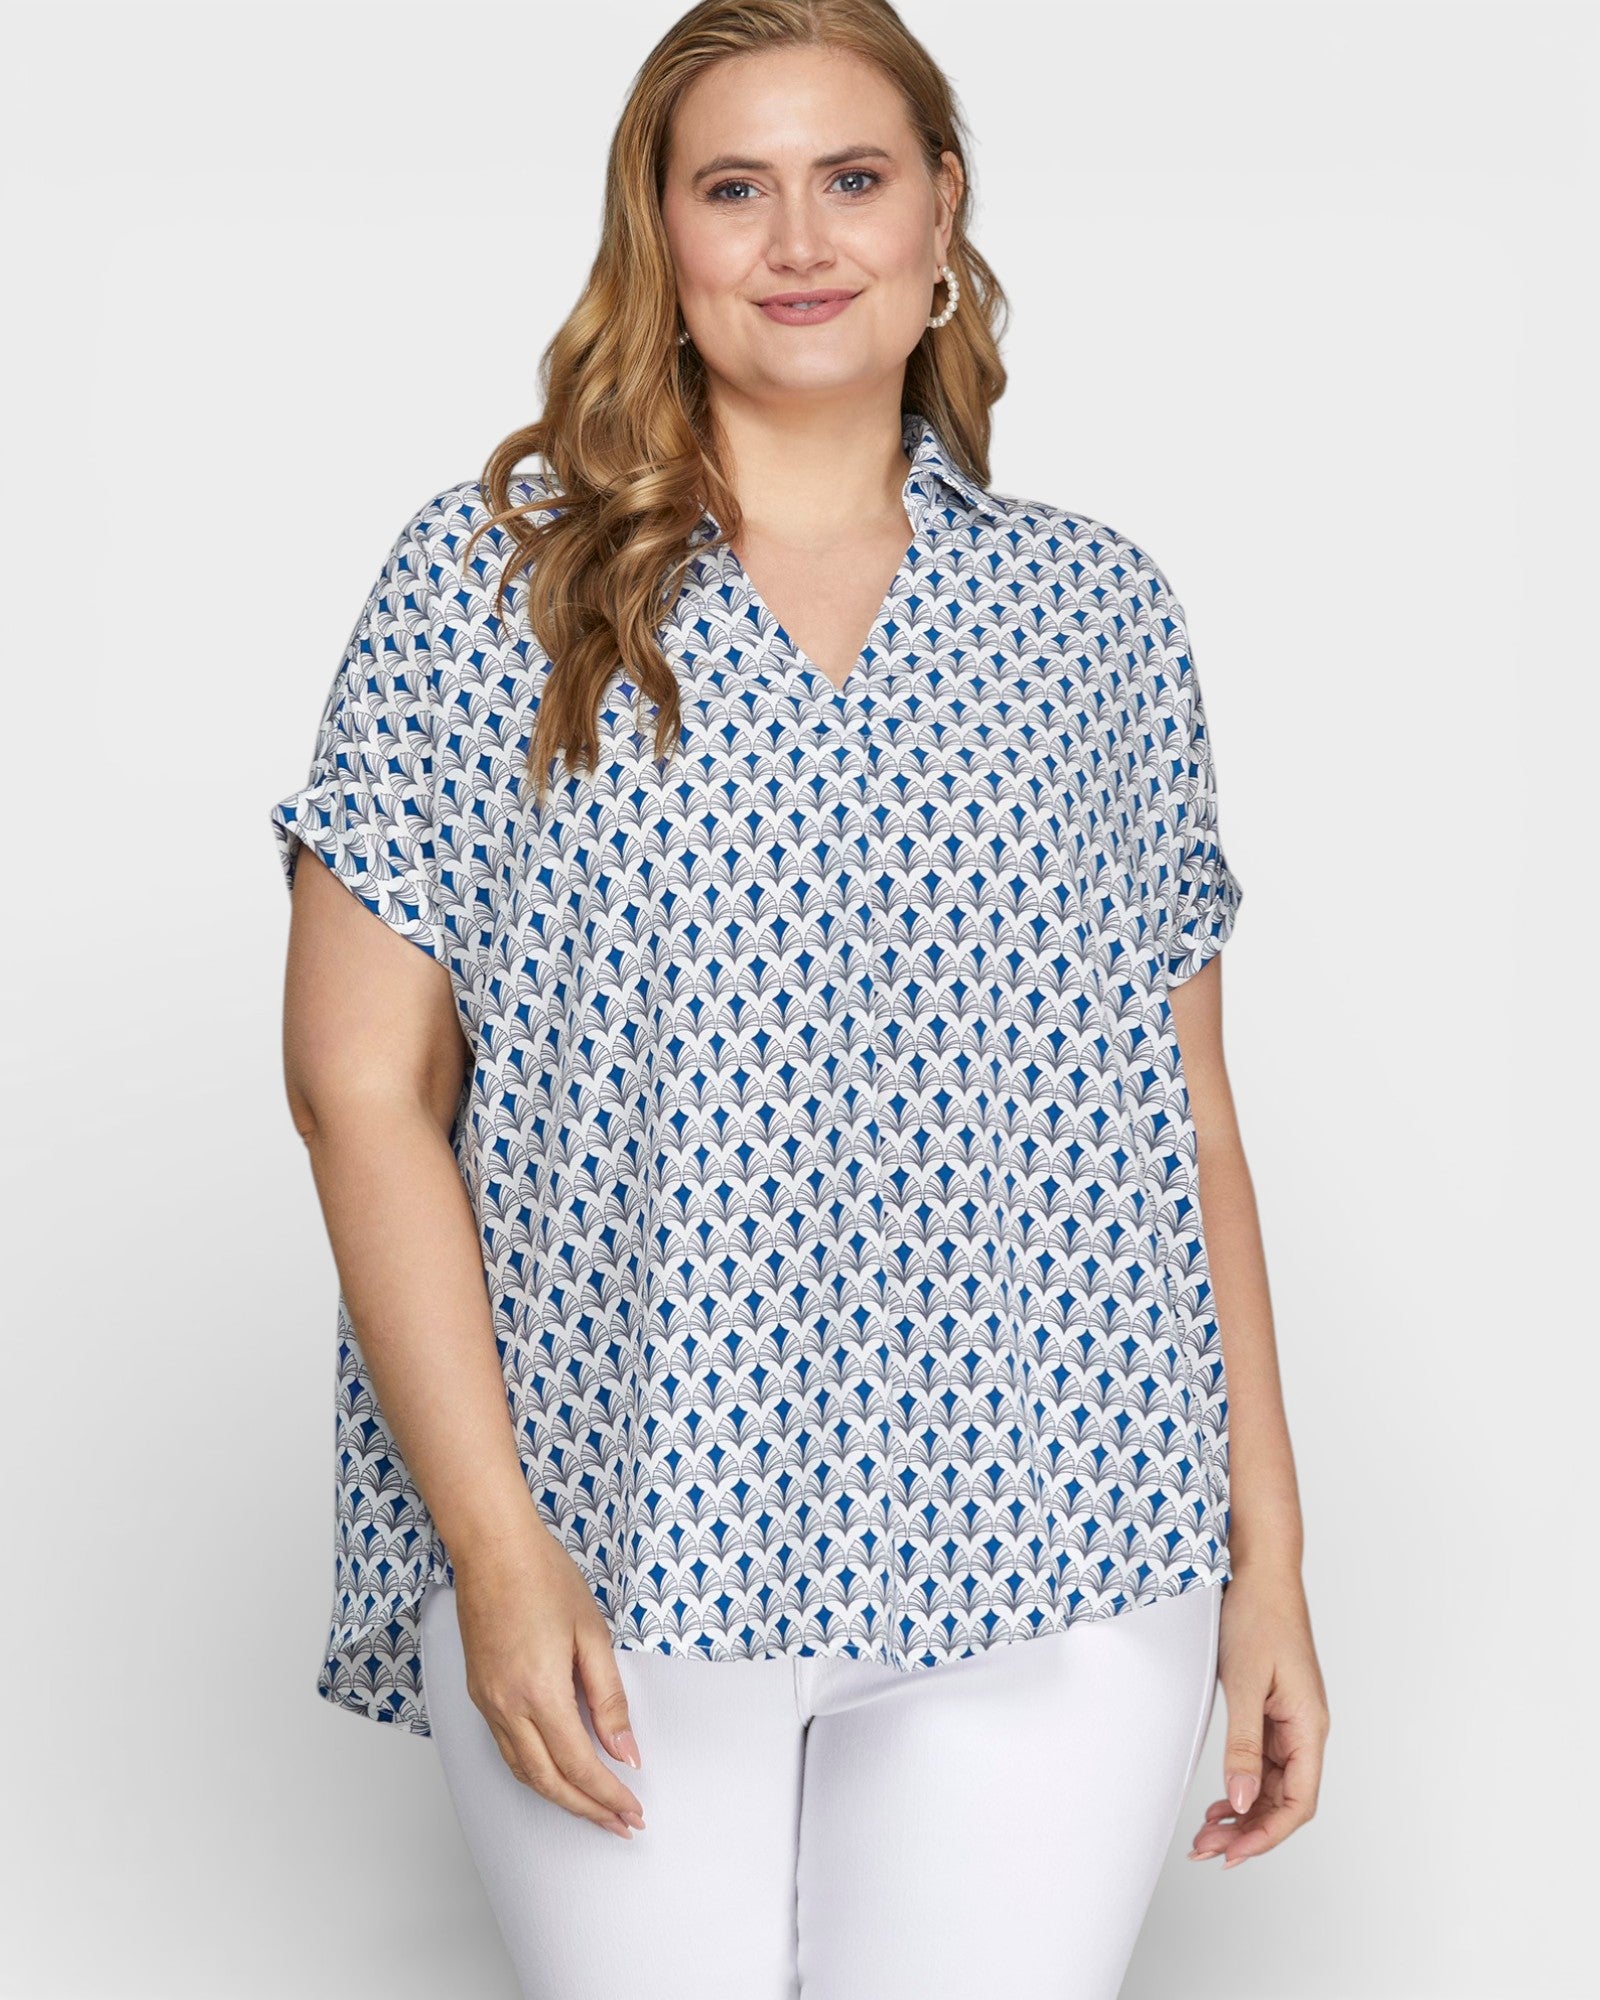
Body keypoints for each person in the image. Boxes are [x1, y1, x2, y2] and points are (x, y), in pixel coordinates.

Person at [269, 2, 1329, 1993]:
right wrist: (498, 1553)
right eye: (730, 188)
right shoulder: (482, 588)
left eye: (850, 177)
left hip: (1065, 1536)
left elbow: (1185, 1118)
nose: (796, 237)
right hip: (615, 1521)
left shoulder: (1095, 612)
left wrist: (1268, 1564)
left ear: (940, 218)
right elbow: (358, 1090)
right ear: (652, 243)